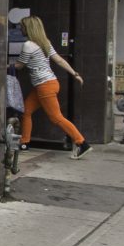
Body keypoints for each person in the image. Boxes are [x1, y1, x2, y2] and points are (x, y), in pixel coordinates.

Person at [15, 15, 91, 159]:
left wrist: (3, 66)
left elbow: (20, 65)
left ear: (28, 28)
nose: (20, 28)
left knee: (56, 118)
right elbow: (60, 60)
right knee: (26, 111)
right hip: (49, 84)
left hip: (44, 86)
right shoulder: (45, 42)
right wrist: (74, 74)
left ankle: (82, 143)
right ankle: (24, 143)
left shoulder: (29, 45)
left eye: (22, 26)